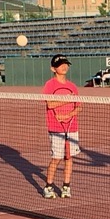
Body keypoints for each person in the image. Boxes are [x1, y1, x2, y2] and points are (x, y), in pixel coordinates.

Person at [41, 54, 81, 199]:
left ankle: (66, 187)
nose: (64, 67)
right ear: (53, 68)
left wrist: (67, 115)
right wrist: (67, 100)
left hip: (72, 127)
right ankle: (48, 186)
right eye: (60, 65)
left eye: (66, 64)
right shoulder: (49, 85)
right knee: (56, 158)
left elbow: (79, 107)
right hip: (55, 128)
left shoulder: (72, 86)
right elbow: (50, 104)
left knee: (69, 158)